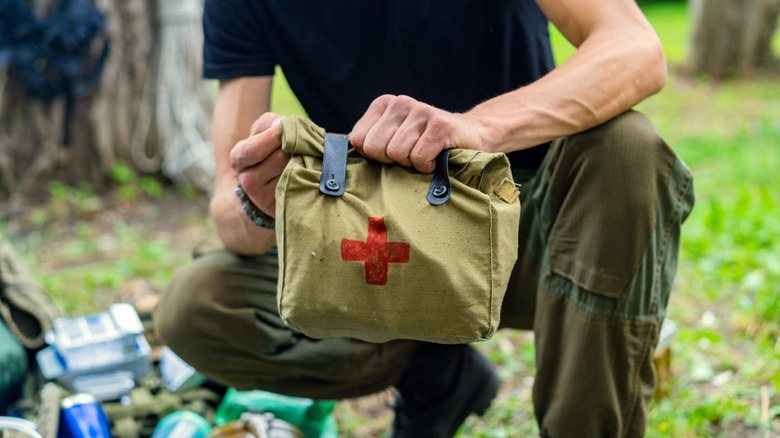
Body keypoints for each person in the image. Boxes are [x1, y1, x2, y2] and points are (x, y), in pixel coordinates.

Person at [154, 1, 695, 436]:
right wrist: (259, 201)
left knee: (628, 147)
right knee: (197, 305)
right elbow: (230, 200)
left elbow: (635, 48)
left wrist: (476, 130)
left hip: (527, 228)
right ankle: (435, 375)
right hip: (372, 242)